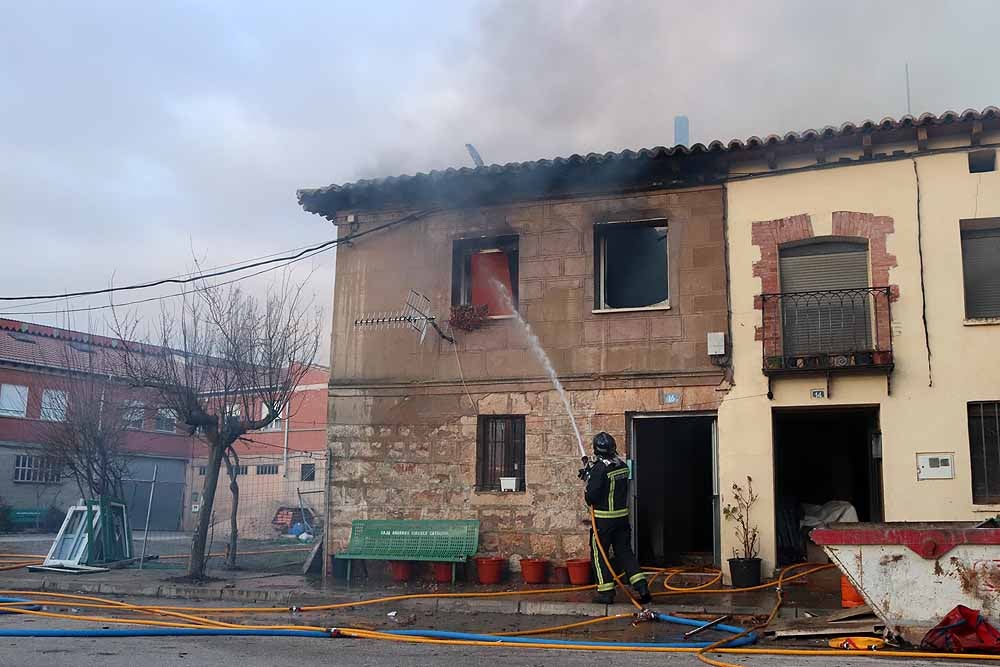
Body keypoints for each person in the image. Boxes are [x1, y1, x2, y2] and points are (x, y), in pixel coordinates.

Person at [583, 431, 652, 605]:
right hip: (621, 518)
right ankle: (642, 587)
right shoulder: (622, 466)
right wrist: (591, 473)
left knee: (599, 554)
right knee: (624, 552)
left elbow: (591, 497)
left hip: (603, 520)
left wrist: (589, 479)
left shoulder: (599, 469)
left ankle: (606, 592)